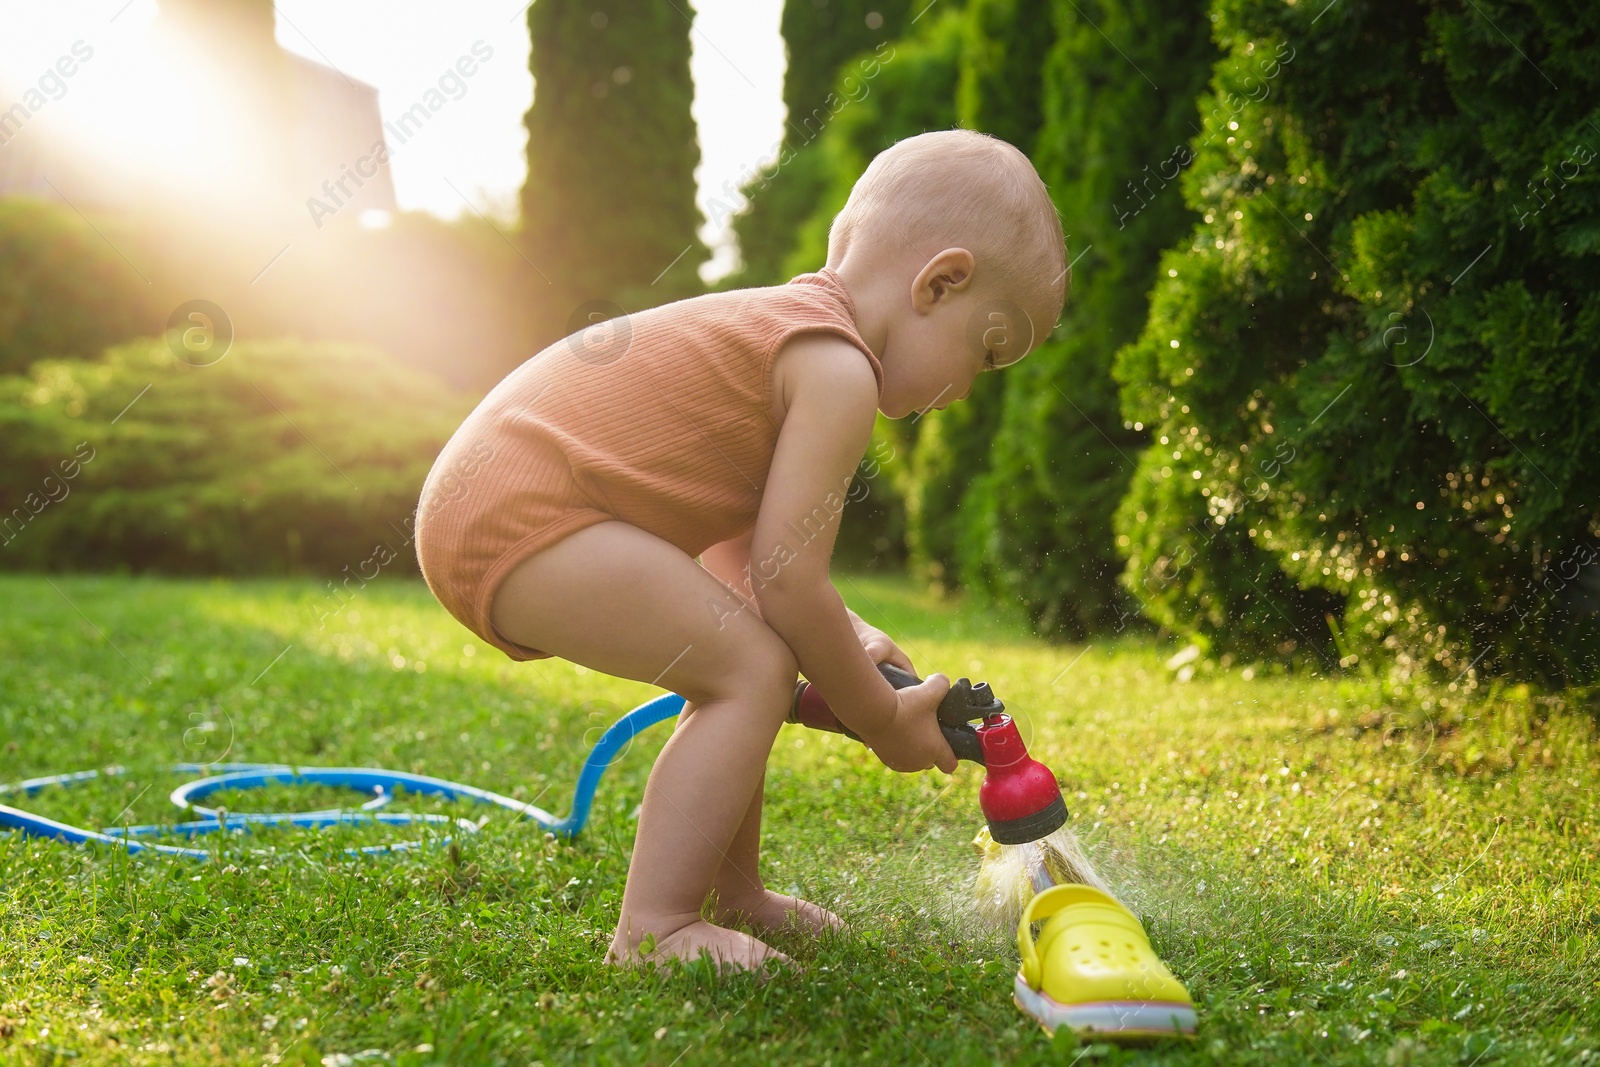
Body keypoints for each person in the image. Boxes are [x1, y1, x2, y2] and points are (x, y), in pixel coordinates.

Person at [413, 128, 1068, 971]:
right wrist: (879, 718)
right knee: (750, 669)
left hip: (487, 503)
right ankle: (656, 926)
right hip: (516, 511)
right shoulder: (838, 369)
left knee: (740, 656)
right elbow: (788, 583)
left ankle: (733, 892)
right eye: (985, 353)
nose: (969, 389)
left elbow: (743, 546)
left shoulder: (788, 333)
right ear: (940, 282)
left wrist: (853, 639)